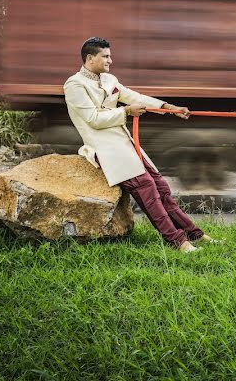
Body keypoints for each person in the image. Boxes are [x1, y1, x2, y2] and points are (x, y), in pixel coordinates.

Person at [64, 37, 218, 253]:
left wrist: (168, 107)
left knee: (161, 187)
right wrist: (126, 111)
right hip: (105, 148)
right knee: (147, 189)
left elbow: (133, 96)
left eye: (110, 55)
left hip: (125, 142)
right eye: (105, 56)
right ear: (90, 58)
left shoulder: (109, 79)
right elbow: (93, 119)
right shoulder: (74, 85)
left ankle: (195, 234)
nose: (110, 60)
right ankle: (179, 242)